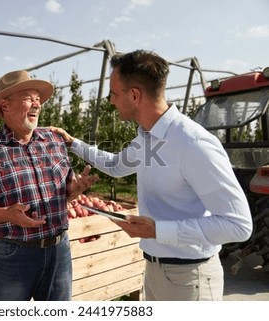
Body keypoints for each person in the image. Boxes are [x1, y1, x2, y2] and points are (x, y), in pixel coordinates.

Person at [50, 49, 253, 301]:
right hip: (155, 271)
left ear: (134, 95)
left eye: (114, 93)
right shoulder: (147, 138)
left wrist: (158, 230)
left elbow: (238, 225)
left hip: (190, 279)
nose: (111, 101)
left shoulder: (193, 143)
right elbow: (115, 165)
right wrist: (72, 143)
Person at [0, 70, 99, 301]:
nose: (37, 104)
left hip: (58, 251)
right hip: (12, 255)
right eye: (29, 98)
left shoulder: (54, 141)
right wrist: (6, 215)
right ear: (5, 105)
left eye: (38, 99)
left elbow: (63, 195)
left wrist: (74, 190)